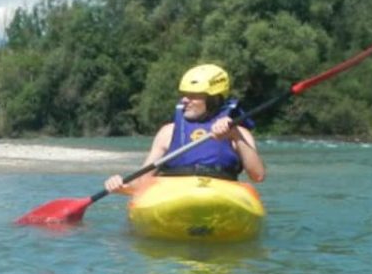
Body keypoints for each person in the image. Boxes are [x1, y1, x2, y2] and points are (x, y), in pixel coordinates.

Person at [104, 63, 264, 196]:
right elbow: (141, 183)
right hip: (172, 194)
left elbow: (257, 176)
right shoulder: (168, 132)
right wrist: (122, 187)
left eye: (193, 95)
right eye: (184, 95)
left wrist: (234, 135)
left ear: (213, 100)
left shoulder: (239, 132)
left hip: (220, 194)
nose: (185, 100)